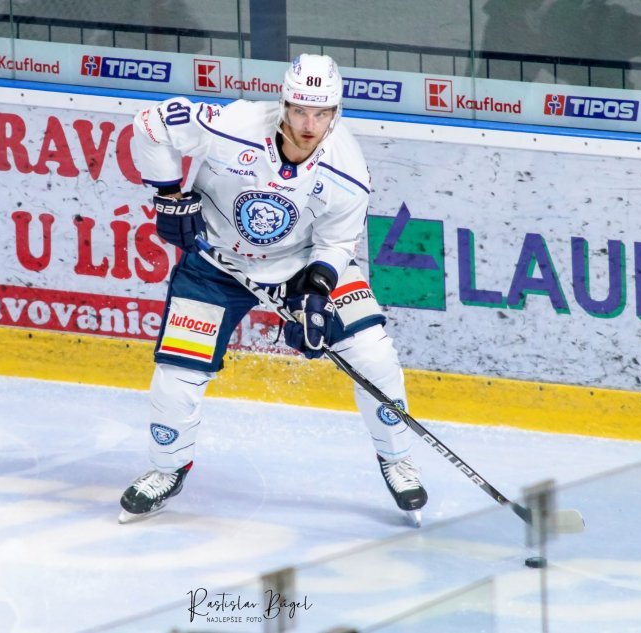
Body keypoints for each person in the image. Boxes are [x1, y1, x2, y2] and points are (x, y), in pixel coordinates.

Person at [119, 54, 426, 524]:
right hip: (215, 265)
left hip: (300, 264)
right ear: (283, 103)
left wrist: (316, 292)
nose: (308, 125)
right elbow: (151, 123)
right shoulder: (234, 124)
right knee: (177, 377)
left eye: (320, 113)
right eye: (299, 110)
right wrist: (169, 195)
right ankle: (167, 468)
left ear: (336, 112)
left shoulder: (347, 169)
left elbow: (337, 242)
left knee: (373, 353)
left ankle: (396, 458)